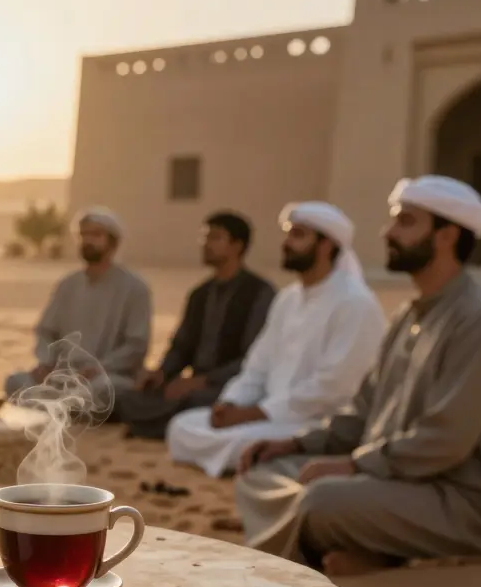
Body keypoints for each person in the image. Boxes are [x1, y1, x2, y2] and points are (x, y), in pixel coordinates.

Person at [235, 176, 481, 576]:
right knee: (263, 470)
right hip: (395, 484)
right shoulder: (408, 315)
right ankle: (366, 549)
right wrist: (295, 442)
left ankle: (299, 565)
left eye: (405, 221)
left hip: (464, 503)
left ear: (447, 235)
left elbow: (444, 441)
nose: (387, 232)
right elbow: (364, 410)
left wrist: (355, 466)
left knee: (321, 499)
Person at [165, 202, 386, 477]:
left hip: (315, 423)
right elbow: (257, 365)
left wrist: (257, 413)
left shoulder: (355, 302)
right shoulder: (288, 298)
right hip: (266, 416)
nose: (286, 243)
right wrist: (231, 403)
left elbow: (333, 387)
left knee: (242, 442)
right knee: (182, 426)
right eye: (288, 234)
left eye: (298, 235)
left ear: (326, 245)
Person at [117, 211, 275, 438]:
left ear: (237, 245)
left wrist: (202, 381)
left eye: (215, 238)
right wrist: (162, 373)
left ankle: (157, 425)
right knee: (130, 397)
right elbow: (182, 345)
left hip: (232, 384)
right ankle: (159, 424)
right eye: (205, 237)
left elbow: (254, 358)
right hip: (193, 383)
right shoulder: (200, 294)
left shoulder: (260, 293)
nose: (206, 244)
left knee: (193, 400)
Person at [4, 207, 152, 415]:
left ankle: (59, 408)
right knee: (15, 381)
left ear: (113, 242)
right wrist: (46, 363)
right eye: (84, 235)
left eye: (96, 235)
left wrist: (99, 367)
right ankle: (65, 408)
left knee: (102, 390)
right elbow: (46, 331)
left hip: (106, 375)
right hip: (61, 376)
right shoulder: (67, 285)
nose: (88, 240)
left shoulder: (135, 288)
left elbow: (136, 345)